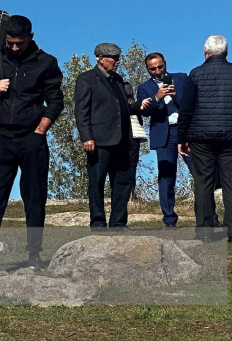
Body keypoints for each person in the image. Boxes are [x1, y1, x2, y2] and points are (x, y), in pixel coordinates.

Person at [0, 15, 63, 272]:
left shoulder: (46, 63)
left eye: (19, 43)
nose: (14, 47)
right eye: (10, 43)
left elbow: (56, 101)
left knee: (34, 197)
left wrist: (41, 130)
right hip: (0, 138)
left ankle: (34, 256)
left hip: (32, 139)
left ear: (30, 38)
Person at [74, 43, 141, 230]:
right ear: (100, 59)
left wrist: (140, 106)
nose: (117, 62)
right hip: (98, 141)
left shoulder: (118, 80)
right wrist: (86, 136)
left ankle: (118, 222)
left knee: (123, 181)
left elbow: (124, 109)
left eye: (119, 58)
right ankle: (98, 222)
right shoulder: (86, 79)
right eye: (114, 58)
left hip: (122, 141)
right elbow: (81, 111)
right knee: (97, 182)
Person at [178, 35, 232, 241]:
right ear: (226, 52)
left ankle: (204, 231)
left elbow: (186, 109)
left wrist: (181, 138)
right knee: (230, 184)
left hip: (201, 137)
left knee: (203, 183)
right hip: (229, 136)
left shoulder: (196, 74)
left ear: (205, 53)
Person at [137, 53, 192, 227]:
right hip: (164, 135)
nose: (158, 71)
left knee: (200, 173)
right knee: (166, 177)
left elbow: (192, 103)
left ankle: (208, 216)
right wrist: (157, 98)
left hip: (186, 132)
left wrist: (177, 96)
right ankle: (169, 219)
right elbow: (144, 112)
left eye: (160, 67)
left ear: (165, 64)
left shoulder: (182, 78)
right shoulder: (144, 88)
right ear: (148, 69)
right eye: (153, 69)